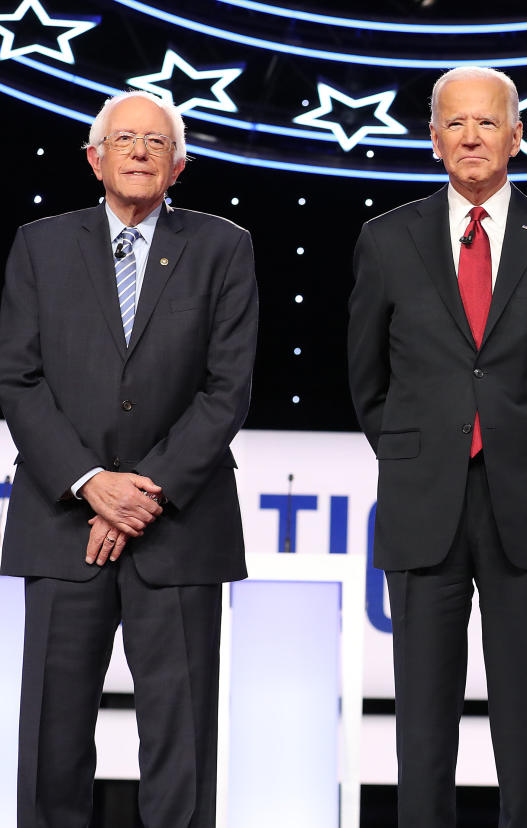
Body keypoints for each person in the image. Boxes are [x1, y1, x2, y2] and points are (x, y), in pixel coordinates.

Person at [347, 66, 527, 827]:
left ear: (517, 135)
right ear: (432, 140)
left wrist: (525, 448)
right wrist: (418, 451)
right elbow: (368, 378)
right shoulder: (385, 239)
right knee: (421, 722)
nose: (470, 137)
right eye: (454, 124)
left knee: (526, 719)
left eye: (487, 123)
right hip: (423, 501)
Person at [0, 90, 258, 827]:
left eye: (156, 142)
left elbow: (227, 387)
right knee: (52, 742)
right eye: (124, 140)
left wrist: (141, 493)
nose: (139, 152)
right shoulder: (39, 245)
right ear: (94, 158)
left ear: (179, 164)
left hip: (178, 526)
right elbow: (17, 377)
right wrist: (90, 484)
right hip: (61, 524)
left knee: (180, 749)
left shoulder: (224, 246)